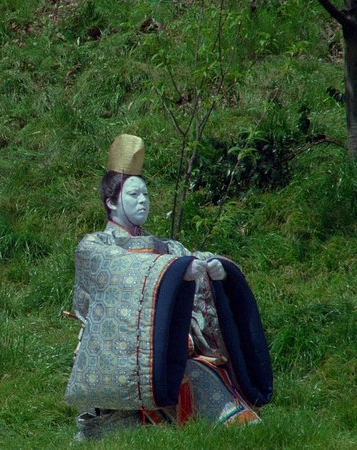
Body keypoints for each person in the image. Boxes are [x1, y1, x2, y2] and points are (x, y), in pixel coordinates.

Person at [65, 134, 273, 440]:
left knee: (200, 371)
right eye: (134, 194)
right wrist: (174, 271)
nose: (143, 201)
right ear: (111, 202)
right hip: (121, 360)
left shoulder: (166, 246)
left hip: (174, 352)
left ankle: (234, 421)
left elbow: (189, 261)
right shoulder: (96, 246)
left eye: (146, 194)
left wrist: (215, 269)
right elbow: (120, 270)